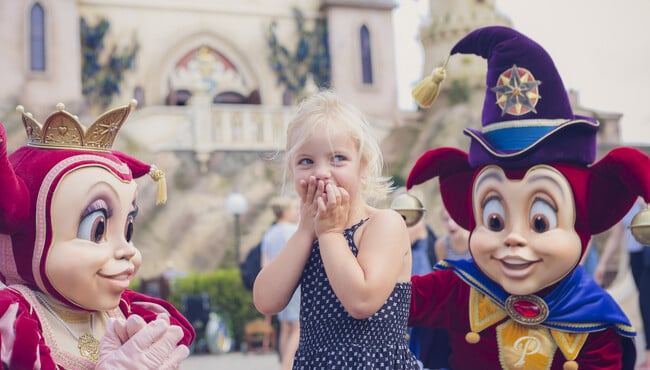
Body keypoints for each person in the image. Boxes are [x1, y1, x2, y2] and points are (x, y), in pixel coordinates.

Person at [406, 26, 649, 369]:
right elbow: (379, 302)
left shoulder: (594, 322)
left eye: (540, 221)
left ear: (582, 216)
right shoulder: (458, 289)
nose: (514, 238)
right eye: (494, 220)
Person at [0, 101, 195, 369]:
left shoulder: (129, 314)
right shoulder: (13, 324)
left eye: (128, 230)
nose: (128, 251)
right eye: (97, 229)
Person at [253, 90, 419, 369]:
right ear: (292, 172)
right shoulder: (307, 236)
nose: (321, 172)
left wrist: (330, 233)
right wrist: (306, 230)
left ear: (362, 166)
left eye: (337, 158)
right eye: (306, 161)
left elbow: (361, 300)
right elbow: (266, 301)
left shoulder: (383, 224)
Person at [595, 197, 650, 369]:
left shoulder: (644, 198)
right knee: (644, 299)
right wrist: (602, 265)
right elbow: (616, 237)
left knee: (645, 301)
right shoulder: (627, 202)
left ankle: (648, 353)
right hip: (635, 256)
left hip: (647, 252)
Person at [260, 196, 300, 370]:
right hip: (295, 282)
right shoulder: (293, 230)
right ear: (285, 211)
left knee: (285, 326)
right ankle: (286, 366)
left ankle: (283, 364)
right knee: (298, 327)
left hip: (278, 283)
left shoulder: (269, 234)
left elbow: (265, 264)